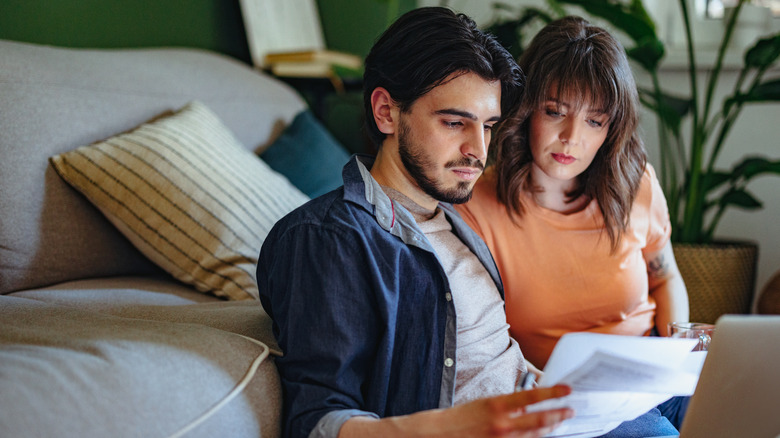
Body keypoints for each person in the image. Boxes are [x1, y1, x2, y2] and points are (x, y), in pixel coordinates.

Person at [257, 7, 573, 438]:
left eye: (488, 126)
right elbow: (317, 419)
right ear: (386, 112)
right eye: (454, 122)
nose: (478, 150)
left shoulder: (453, 219)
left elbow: (492, 360)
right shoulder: (327, 238)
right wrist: (453, 426)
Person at [455, 16, 690, 434]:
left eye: (594, 121)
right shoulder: (476, 206)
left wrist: (678, 353)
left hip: (655, 378)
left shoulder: (635, 184)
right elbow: (482, 348)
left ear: (611, 128)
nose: (571, 137)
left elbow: (665, 275)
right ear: (526, 109)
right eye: (554, 112)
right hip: (565, 399)